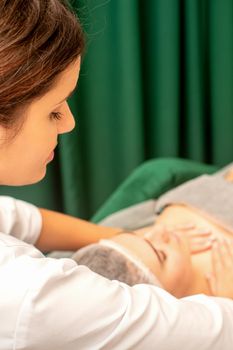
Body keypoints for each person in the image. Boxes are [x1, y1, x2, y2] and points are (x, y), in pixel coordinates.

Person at [0, 1, 233, 349]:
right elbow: (209, 331)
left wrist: (141, 237)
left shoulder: (155, 218)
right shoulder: (29, 295)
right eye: (53, 112)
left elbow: (21, 219)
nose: (69, 123)